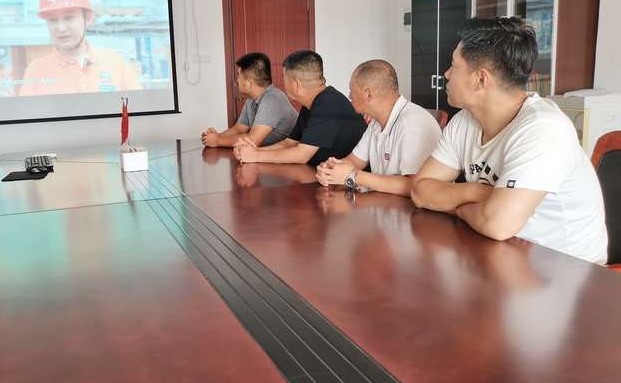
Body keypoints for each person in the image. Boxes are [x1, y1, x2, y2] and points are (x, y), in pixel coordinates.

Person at [411, 16, 607, 264]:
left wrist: (460, 207)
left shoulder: (543, 129)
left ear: (481, 79)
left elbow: (497, 225)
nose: (447, 74)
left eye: (454, 66)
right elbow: (420, 190)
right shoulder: (465, 120)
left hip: (569, 268)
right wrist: (475, 191)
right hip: (503, 254)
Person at [316, 59, 441, 196]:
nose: (349, 96)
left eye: (352, 89)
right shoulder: (376, 122)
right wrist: (331, 169)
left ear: (369, 94)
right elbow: (355, 160)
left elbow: (414, 186)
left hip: (409, 207)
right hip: (383, 202)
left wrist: (354, 176)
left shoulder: (412, 123)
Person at [234, 50, 366, 166]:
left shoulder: (328, 104)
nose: (283, 84)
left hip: (346, 182)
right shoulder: (310, 105)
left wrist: (255, 156)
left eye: (284, 79)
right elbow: (289, 143)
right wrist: (253, 151)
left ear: (297, 84)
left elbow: (301, 155)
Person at [19, 0, 140, 95]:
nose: (61, 28)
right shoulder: (35, 70)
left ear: (88, 18)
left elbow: (137, 104)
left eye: (69, 18)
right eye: (52, 20)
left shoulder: (114, 61)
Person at [201, 52, 297, 148]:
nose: (237, 80)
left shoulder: (272, 100)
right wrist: (215, 137)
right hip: (266, 152)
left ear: (250, 82)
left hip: (286, 154)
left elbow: (253, 140)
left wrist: (217, 140)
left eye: (239, 76)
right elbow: (239, 129)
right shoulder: (251, 100)